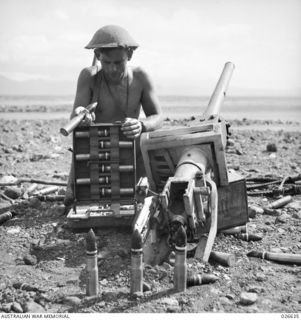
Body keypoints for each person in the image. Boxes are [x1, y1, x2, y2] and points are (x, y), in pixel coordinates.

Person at [64, 25, 163, 207]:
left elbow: (158, 117)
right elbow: (74, 118)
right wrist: (81, 117)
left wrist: (141, 125)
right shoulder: (89, 76)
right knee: (78, 201)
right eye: (107, 63)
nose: (112, 69)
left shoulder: (141, 77)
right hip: (96, 154)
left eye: (119, 62)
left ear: (130, 56)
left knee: (142, 200)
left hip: (131, 155)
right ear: (98, 55)